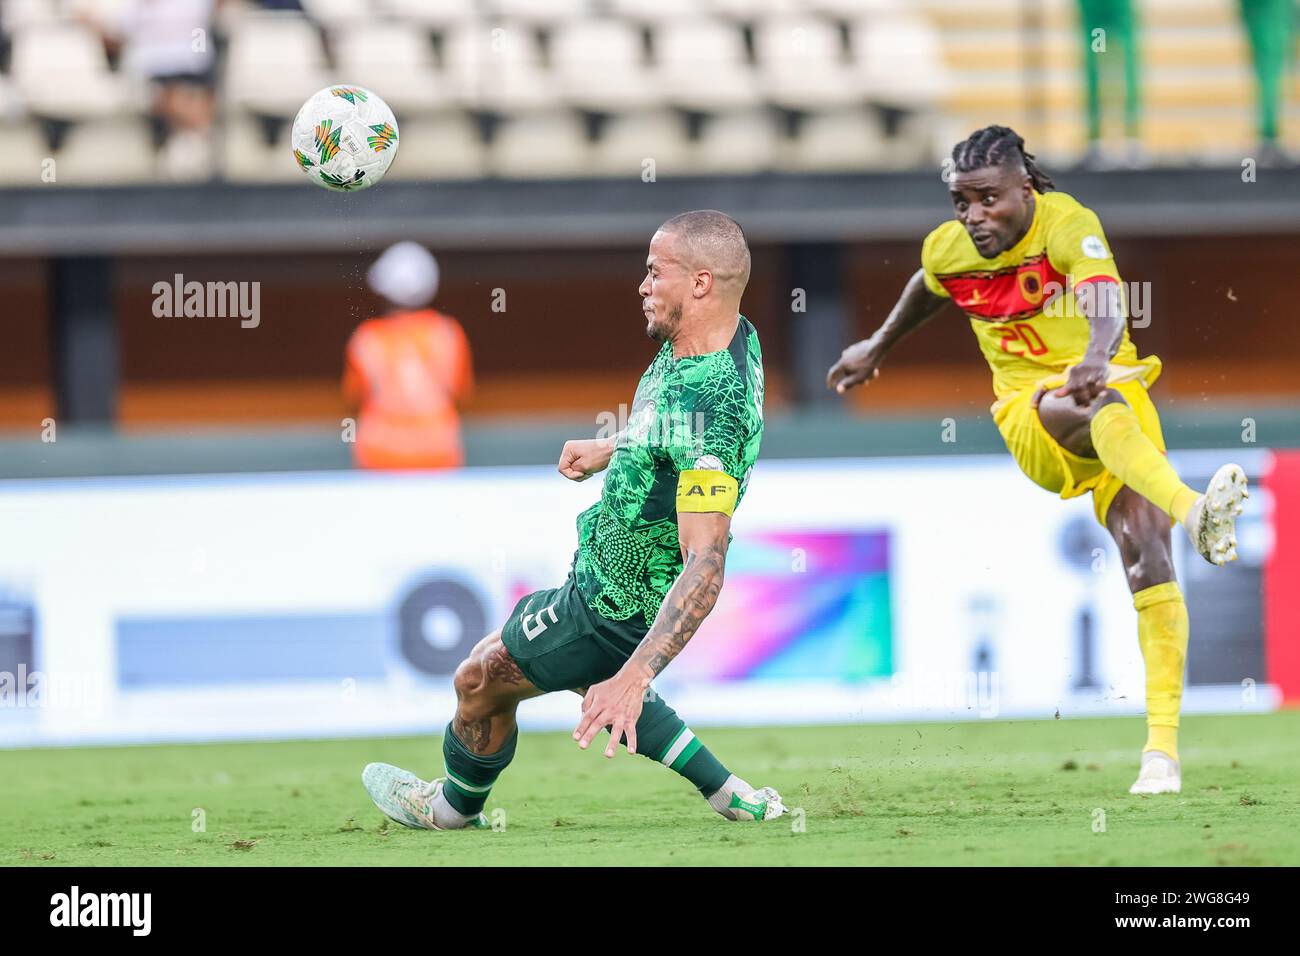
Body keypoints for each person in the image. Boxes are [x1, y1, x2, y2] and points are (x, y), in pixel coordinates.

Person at [826, 126, 1248, 796]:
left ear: (1024, 187)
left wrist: (1098, 352)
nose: (973, 215)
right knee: (1084, 403)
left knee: (1148, 561)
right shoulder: (950, 249)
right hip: (1032, 413)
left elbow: (1105, 295)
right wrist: (876, 347)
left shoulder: (1066, 223)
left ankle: (1161, 757)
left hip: (1112, 389)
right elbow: (928, 284)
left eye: (987, 199)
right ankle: (1194, 508)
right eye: (960, 201)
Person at [362, 210, 786, 827]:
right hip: (608, 585)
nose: (642, 285)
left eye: (653, 272)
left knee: (478, 679)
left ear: (699, 283)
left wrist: (637, 675)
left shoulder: (711, 407)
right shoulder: (727, 335)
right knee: (580, 673)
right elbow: (674, 425)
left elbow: (707, 563)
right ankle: (732, 795)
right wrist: (613, 447)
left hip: (612, 599)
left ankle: (451, 809)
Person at [343, 242, 474, 470]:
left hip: (380, 457)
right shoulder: (448, 333)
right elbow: (462, 392)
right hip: (438, 454)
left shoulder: (366, 338)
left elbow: (353, 396)